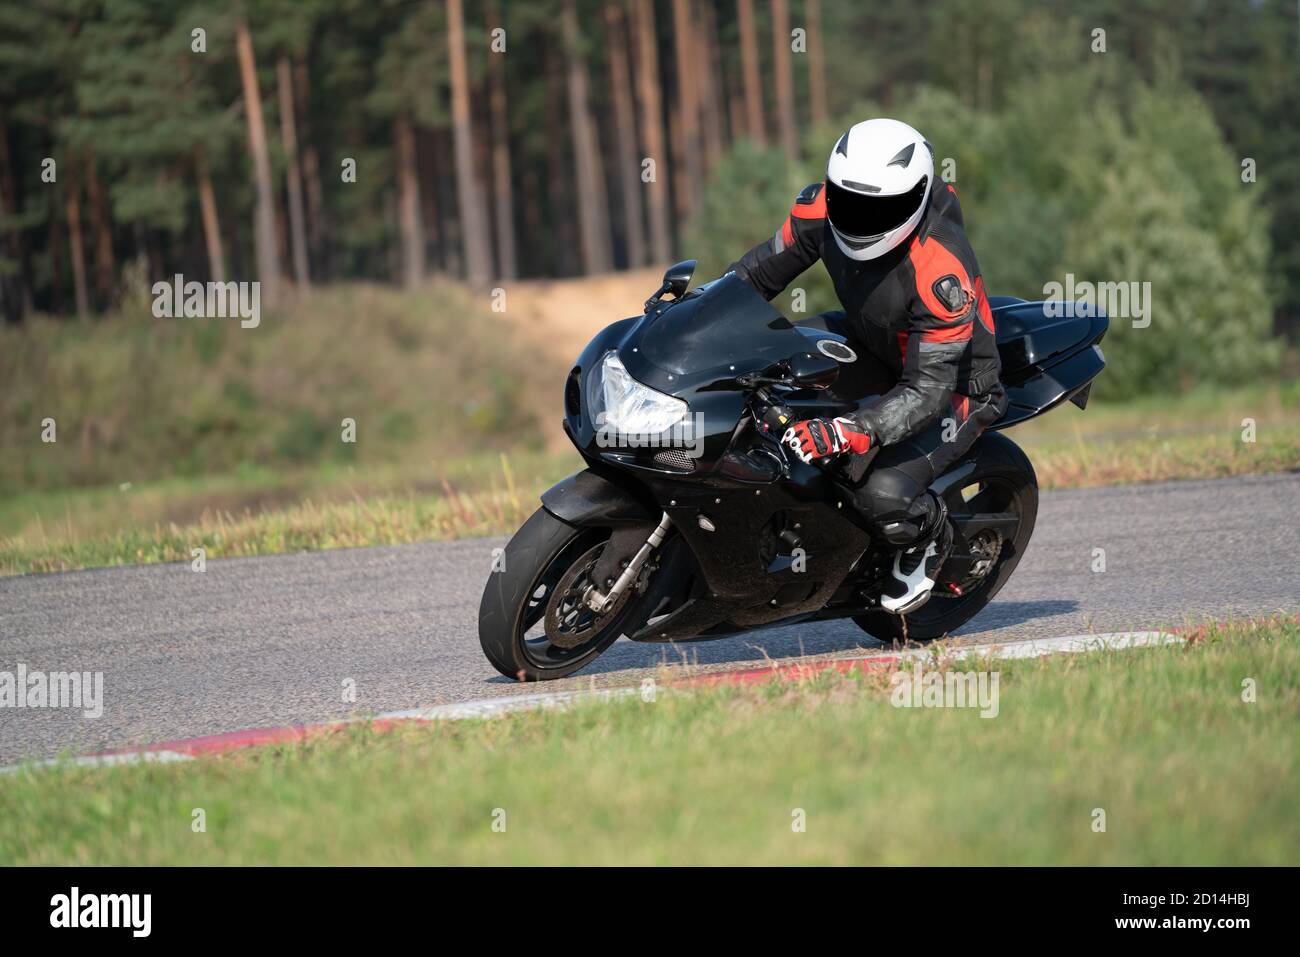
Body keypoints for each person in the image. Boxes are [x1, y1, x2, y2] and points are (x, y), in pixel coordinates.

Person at [727, 118, 1006, 614]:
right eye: (848, 201)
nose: (857, 218)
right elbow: (754, 275)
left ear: (918, 196)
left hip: (955, 384)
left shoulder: (941, 272)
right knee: (761, 373)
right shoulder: (818, 208)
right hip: (869, 337)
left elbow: (926, 390)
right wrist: (696, 313)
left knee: (877, 491)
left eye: (880, 208)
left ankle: (930, 535)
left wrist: (851, 430)